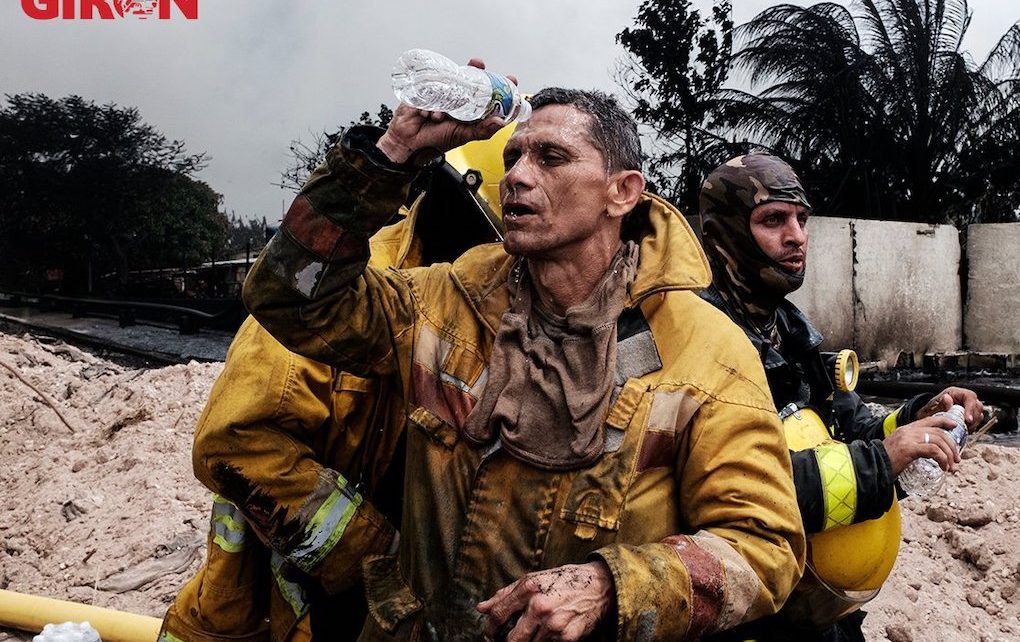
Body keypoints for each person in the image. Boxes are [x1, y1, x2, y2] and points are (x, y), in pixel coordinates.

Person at [241, 82, 806, 642]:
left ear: (623, 192)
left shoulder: (708, 351)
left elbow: (764, 548)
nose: (516, 174)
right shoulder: (448, 300)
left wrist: (613, 586)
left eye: (551, 157)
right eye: (513, 157)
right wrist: (392, 152)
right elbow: (289, 297)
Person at [158, 136, 509, 642]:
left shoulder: (499, 315)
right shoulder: (341, 292)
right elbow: (232, 443)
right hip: (295, 611)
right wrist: (383, 556)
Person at [698, 153, 984, 642]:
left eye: (802, 219)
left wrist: (920, 418)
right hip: (746, 615)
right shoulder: (697, 343)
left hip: (817, 610)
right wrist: (883, 461)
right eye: (773, 220)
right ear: (724, 232)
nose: (797, 236)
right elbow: (742, 492)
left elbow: (854, 433)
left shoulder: (792, 335)